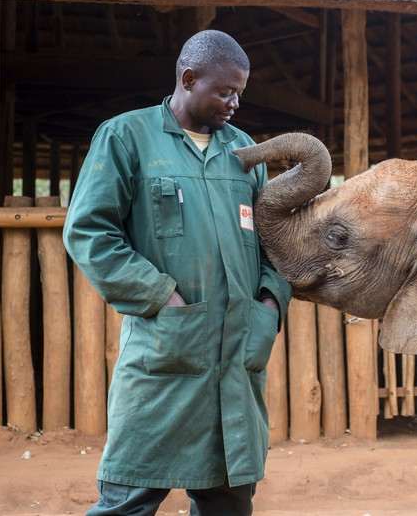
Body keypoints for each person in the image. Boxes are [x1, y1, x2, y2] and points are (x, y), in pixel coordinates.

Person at [62, 29, 292, 515]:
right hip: (166, 355)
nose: (234, 103)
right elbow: (89, 232)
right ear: (189, 79)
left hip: (237, 357)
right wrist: (160, 296)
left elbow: (276, 241)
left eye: (240, 93)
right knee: (129, 497)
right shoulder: (127, 136)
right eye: (225, 91)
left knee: (229, 500)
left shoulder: (245, 152)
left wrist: (270, 304)